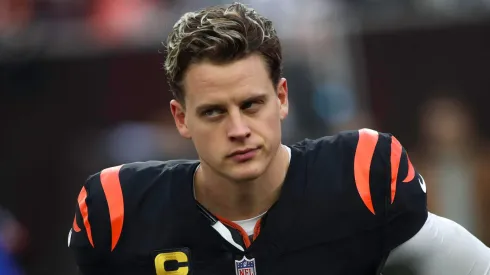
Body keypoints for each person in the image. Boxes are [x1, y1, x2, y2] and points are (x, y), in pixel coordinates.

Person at [68, 2, 490, 274]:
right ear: (181, 119)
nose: (238, 129)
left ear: (281, 98)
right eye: (214, 112)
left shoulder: (358, 180)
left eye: (251, 104)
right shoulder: (121, 212)